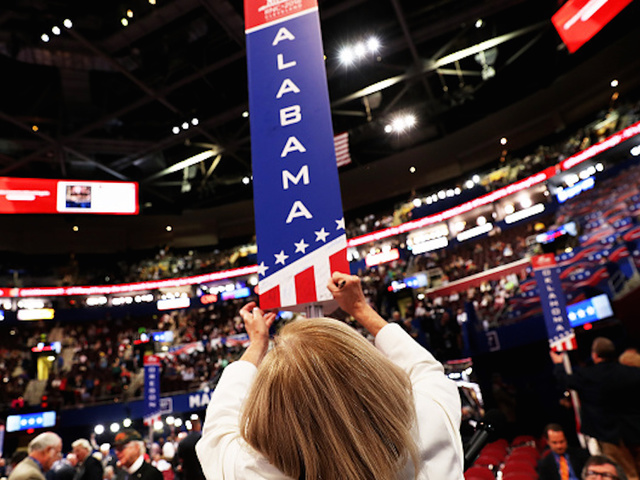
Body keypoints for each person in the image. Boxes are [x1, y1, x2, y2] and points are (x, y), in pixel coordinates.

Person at [196, 271, 464, 480]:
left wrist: (257, 344)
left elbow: (218, 428)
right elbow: (423, 367)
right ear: (372, 370)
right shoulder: (429, 422)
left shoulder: (255, 471)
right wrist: (360, 308)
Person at [551, 337, 640, 480]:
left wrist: (559, 364)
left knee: (626, 475)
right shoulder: (633, 373)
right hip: (636, 430)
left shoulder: (587, 376)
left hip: (609, 436)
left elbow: (565, 381)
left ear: (594, 355)